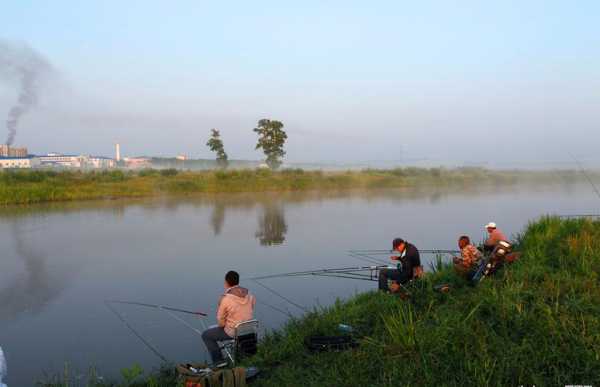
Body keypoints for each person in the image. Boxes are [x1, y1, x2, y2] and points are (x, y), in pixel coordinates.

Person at [201, 271, 256, 366]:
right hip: (249, 329)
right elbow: (250, 309)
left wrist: (220, 304)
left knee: (206, 335)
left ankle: (219, 362)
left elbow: (221, 324)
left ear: (226, 283)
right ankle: (243, 356)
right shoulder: (250, 295)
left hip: (234, 332)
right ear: (238, 281)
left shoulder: (225, 299)